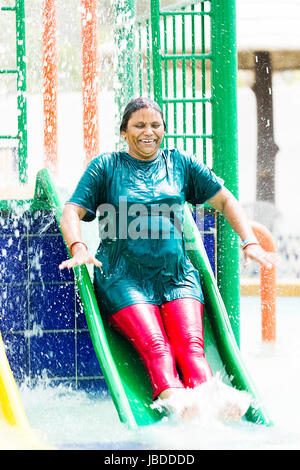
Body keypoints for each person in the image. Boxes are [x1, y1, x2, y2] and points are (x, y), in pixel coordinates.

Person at [59, 97, 276, 421]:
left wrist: (249, 242)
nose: (149, 131)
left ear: (164, 130)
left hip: (177, 276)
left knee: (191, 348)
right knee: (158, 347)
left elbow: (226, 199)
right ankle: (175, 399)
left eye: (155, 125)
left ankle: (209, 400)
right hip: (124, 278)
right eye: (139, 125)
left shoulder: (180, 164)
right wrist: (78, 246)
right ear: (124, 131)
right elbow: (71, 210)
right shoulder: (106, 167)